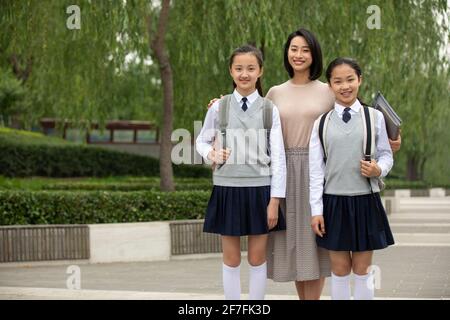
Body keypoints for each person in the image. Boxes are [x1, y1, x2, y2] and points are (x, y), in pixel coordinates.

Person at [207, 28, 401, 300]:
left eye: (305, 50)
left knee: (316, 244)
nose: (299, 55)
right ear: (287, 53)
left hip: (318, 174)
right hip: (284, 172)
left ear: (314, 54)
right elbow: (248, 109)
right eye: (294, 49)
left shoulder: (328, 89)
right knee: (294, 245)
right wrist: (218, 104)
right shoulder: (275, 92)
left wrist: (390, 139)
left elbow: (356, 115)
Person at [196, 44, 287, 300]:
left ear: (260, 71)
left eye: (250, 68)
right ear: (230, 71)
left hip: (261, 191)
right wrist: (211, 154)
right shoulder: (218, 107)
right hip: (227, 190)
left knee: (257, 259)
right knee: (231, 259)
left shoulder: (270, 110)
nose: (244, 74)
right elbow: (201, 141)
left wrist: (275, 200)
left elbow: (279, 157)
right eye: (238, 68)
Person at [309, 57, 395, 300]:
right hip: (333, 202)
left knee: (362, 269)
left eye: (350, 80)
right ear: (330, 85)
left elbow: (386, 155)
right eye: (338, 81)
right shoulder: (321, 123)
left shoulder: (374, 117)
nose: (345, 86)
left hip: (364, 201)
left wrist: (378, 169)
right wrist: (316, 210)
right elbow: (316, 171)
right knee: (339, 269)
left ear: (360, 80)